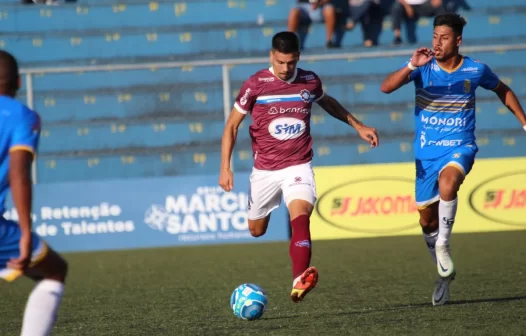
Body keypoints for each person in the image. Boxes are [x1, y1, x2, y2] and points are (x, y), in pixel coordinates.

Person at [219, 31, 379, 303]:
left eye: (290, 63)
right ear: (272, 56)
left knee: (301, 215)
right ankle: (292, 263)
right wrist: (225, 167)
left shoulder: (309, 80)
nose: (285, 68)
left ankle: (298, 280)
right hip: (265, 170)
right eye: (280, 62)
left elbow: (327, 102)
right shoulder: (255, 84)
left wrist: (358, 125)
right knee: (256, 230)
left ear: (298, 58)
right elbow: (232, 125)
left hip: (298, 165)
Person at [380, 13, 526, 306]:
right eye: (435, 36)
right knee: (426, 221)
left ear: (457, 40)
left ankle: (444, 245)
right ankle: (443, 276)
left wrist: (524, 122)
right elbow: (386, 87)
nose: (437, 43)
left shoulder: (475, 70)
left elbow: (503, 89)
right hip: (426, 154)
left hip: (460, 147)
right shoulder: (423, 68)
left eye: (444, 38)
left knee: (449, 184)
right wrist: (411, 64)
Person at [0, 50, 68, 335]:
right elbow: (18, 172)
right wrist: (26, 230)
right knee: (54, 270)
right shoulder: (21, 116)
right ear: (18, 81)